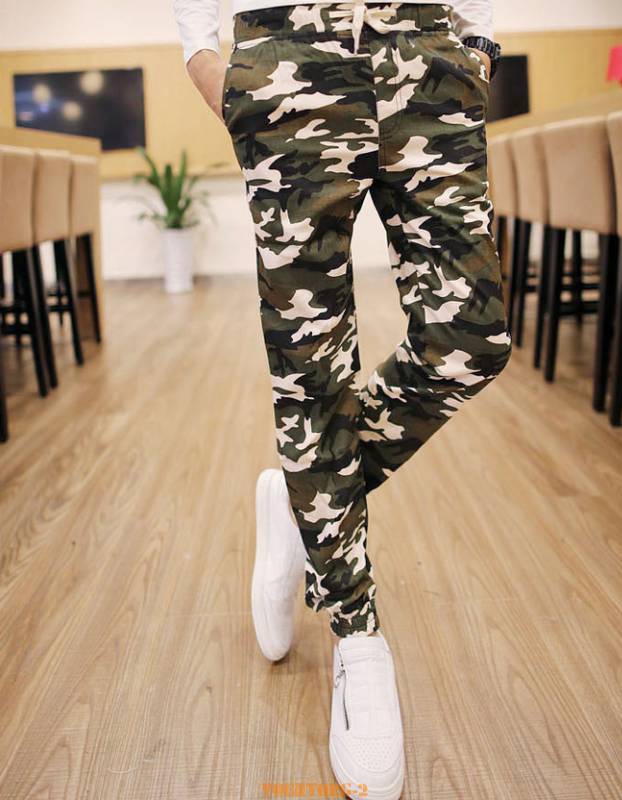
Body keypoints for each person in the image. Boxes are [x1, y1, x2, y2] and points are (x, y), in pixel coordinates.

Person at [174, 1, 510, 797]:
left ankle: (305, 505)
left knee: (472, 338)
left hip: (429, 50)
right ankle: (358, 637)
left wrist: (480, 42)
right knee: (312, 370)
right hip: (287, 55)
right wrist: (203, 55)